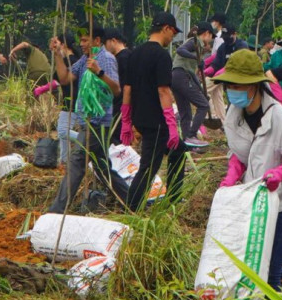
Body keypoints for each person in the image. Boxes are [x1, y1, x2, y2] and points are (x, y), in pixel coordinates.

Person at [214, 49, 282, 288]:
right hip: (257, 200)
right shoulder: (234, 114)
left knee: (269, 270)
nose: (232, 91)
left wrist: (281, 172)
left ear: (253, 87)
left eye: (237, 86)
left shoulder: (280, 117)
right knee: (256, 262)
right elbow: (239, 151)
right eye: (229, 86)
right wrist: (232, 174)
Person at [49, 31, 129, 212]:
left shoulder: (106, 58)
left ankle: (57, 210)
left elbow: (116, 90)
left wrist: (99, 72)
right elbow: (64, 78)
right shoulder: (84, 60)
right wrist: (57, 55)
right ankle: (132, 201)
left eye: (85, 40)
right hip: (88, 121)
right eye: (81, 40)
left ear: (97, 40)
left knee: (76, 162)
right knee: (102, 168)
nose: (81, 44)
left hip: (98, 122)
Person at [123, 14, 184, 209]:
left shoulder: (134, 54)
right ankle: (131, 207)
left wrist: (127, 120)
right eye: (173, 32)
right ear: (166, 28)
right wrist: (171, 124)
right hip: (157, 122)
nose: (173, 37)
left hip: (141, 118)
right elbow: (164, 90)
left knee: (179, 151)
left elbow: (127, 89)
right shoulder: (161, 56)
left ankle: (174, 198)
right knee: (149, 168)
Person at [170, 28, 213, 143]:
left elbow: (193, 75)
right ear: (206, 33)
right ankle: (191, 135)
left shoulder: (197, 47)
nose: (209, 43)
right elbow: (180, 50)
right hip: (182, 76)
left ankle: (187, 142)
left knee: (186, 113)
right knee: (204, 105)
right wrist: (196, 58)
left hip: (176, 77)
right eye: (210, 38)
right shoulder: (194, 41)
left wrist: (202, 92)